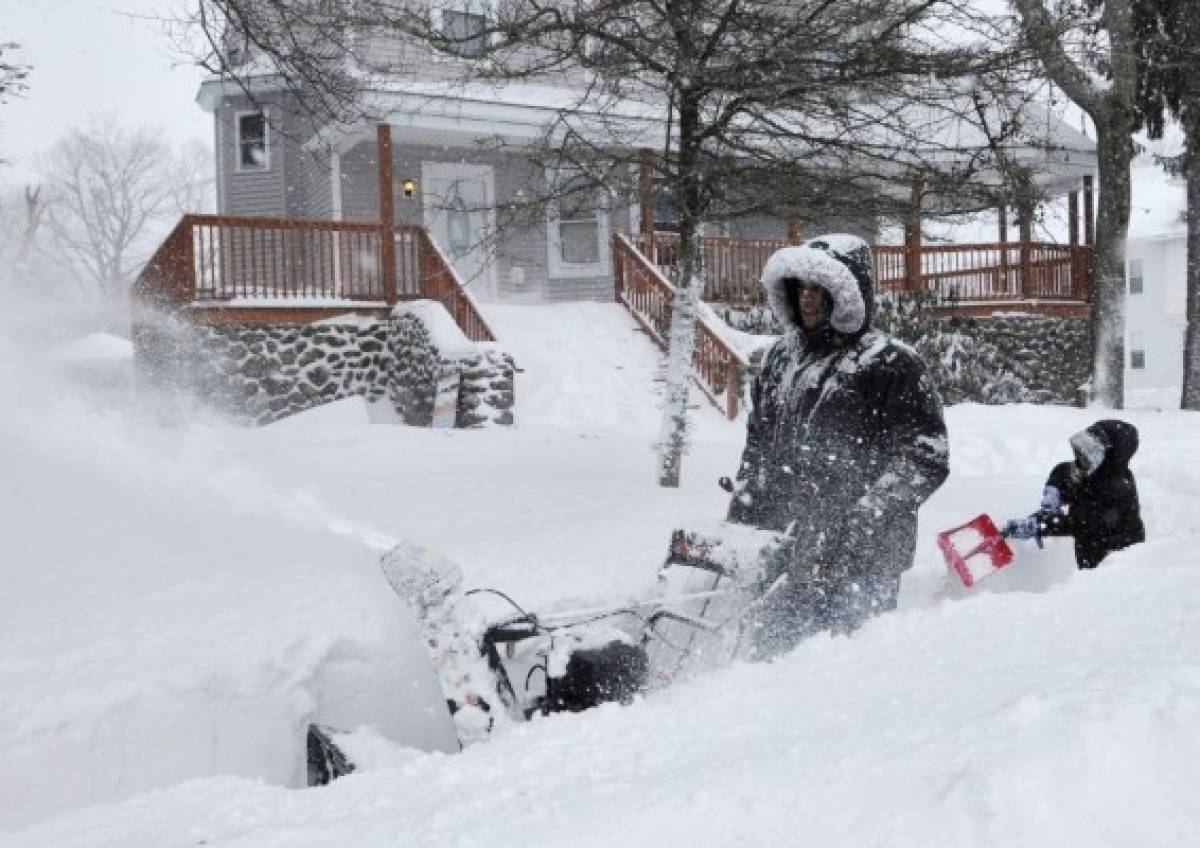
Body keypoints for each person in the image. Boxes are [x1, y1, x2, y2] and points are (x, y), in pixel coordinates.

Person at [730, 234, 949, 657]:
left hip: (862, 558)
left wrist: (865, 517)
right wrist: (747, 499)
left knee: (843, 667)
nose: (807, 300)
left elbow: (926, 456)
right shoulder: (780, 359)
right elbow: (759, 440)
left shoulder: (889, 363)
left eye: (818, 290)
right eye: (801, 289)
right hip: (785, 541)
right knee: (768, 664)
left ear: (845, 294)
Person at [1003, 419, 1145, 569]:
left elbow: (1077, 522)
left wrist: (1039, 525)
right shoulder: (1096, 472)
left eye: (1086, 459)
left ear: (1106, 458)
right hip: (1090, 549)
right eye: (1079, 456)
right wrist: (1054, 490)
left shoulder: (1116, 489)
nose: (1079, 463)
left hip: (1114, 561)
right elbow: (1063, 471)